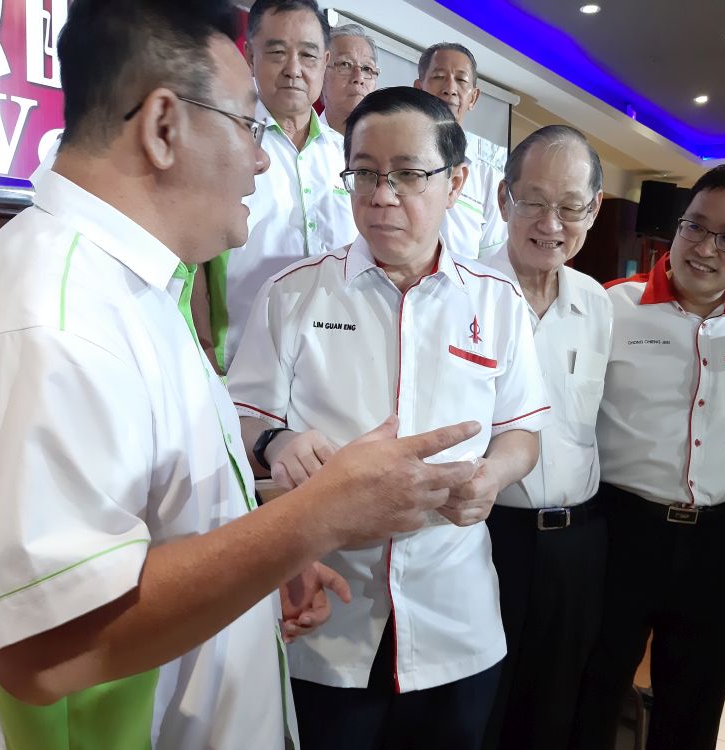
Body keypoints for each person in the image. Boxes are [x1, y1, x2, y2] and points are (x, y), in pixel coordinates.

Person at [0, 3, 483, 747]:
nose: (261, 159)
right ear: (163, 126)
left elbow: (147, 523)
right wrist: (316, 516)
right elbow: (50, 643)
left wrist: (260, 563)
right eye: (249, 124)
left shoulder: (134, 288)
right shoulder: (49, 327)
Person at [227, 86, 549, 750]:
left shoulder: (496, 304)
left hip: (454, 618)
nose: (381, 194)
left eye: (407, 173)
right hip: (324, 614)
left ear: (457, 181)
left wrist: (493, 475)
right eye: (365, 173)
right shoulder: (294, 292)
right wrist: (278, 440)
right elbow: (240, 419)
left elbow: (523, 430)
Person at [578, 164, 725, 750]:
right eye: (695, 227)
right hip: (620, 528)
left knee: (694, 702)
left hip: (715, 543)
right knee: (593, 689)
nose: (705, 248)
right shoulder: (610, 308)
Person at [479, 125, 613, 750]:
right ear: (504, 200)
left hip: (574, 542)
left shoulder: (597, 302)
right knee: (480, 704)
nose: (550, 222)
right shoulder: (461, 293)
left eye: (569, 206)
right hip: (484, 539)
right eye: (532, 200)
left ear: (594, 209)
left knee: (554, 707)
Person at [195, 0, 358, 373]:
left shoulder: (346, 157)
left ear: (326, 62)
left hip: (332, 365)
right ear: (250, 55)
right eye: (277, 52)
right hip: (239, 365)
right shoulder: (221, 140)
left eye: (308, 55)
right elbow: (193, 260)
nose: (294, 70)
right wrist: (204, 353)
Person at [414, 42, 507, 259]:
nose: (450, 88)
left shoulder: (489, 173)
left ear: (473, 98)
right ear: (418, 89)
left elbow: (492, 259)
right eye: (438, 77)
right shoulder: (391, 149)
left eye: (461, 80)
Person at [320, 23, 379, 136]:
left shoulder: (387, 147)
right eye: (345, 64)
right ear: (320, 75)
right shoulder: (298, 140)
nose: (359, 78)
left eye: (367, 68)